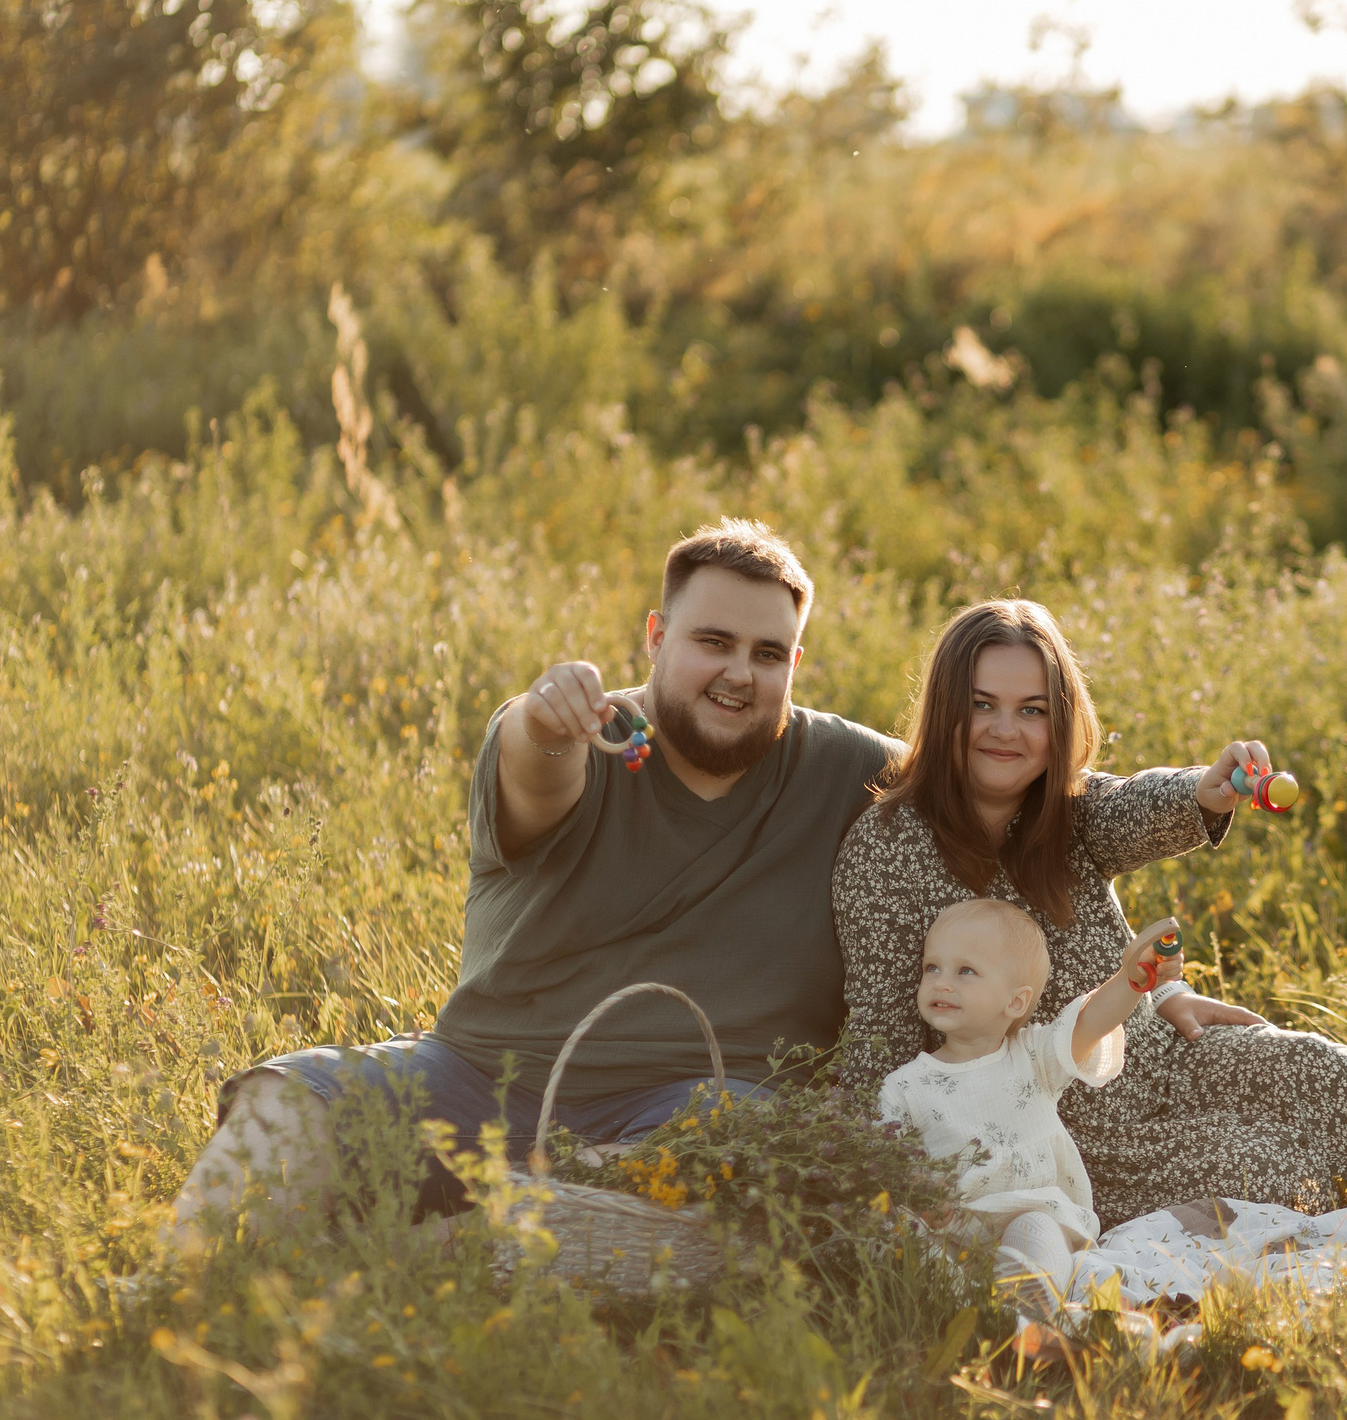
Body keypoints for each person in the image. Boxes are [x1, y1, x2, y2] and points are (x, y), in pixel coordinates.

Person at [163, 520, 901, 1253]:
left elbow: (993, 772)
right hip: (480, 1077)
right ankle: (171, 1288)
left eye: (768, 653)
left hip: (697, 1108)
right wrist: (543, 722)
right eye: (714, 642)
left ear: (796, 661)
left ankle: (389, 1267)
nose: (740, 672)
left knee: (741, 1156)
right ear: (656, 636)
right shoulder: (582, 733)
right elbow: (537, 771)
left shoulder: (848, 769)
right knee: (286, 1100)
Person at [835, 599, 1347, 1232]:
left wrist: (1207, 790)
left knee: (1312, 1066)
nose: (1006, 729)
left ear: (1060, 721)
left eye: (1032, 709)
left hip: (1161, 1058)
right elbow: (882, 1038)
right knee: (1268, 1162)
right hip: (1050, 1126)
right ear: (944, 710)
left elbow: (1135, 807)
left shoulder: (1064, 810)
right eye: (981, 705)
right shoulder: (890, 847)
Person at [877, 900, 1181, 1313]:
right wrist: (922, 1196)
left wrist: (1130, 980)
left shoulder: (1032, 1057)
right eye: (933, 968)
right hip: (950, 1228)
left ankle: (1021, 1309)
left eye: (965, 971)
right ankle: (971, 1311)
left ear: (1015, 1003)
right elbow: (889, 1161)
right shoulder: (904, 1086)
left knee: (1040, 1235)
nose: (941, 983)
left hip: (1027, 1213)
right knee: (896, 1235)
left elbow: (1091, 1021)